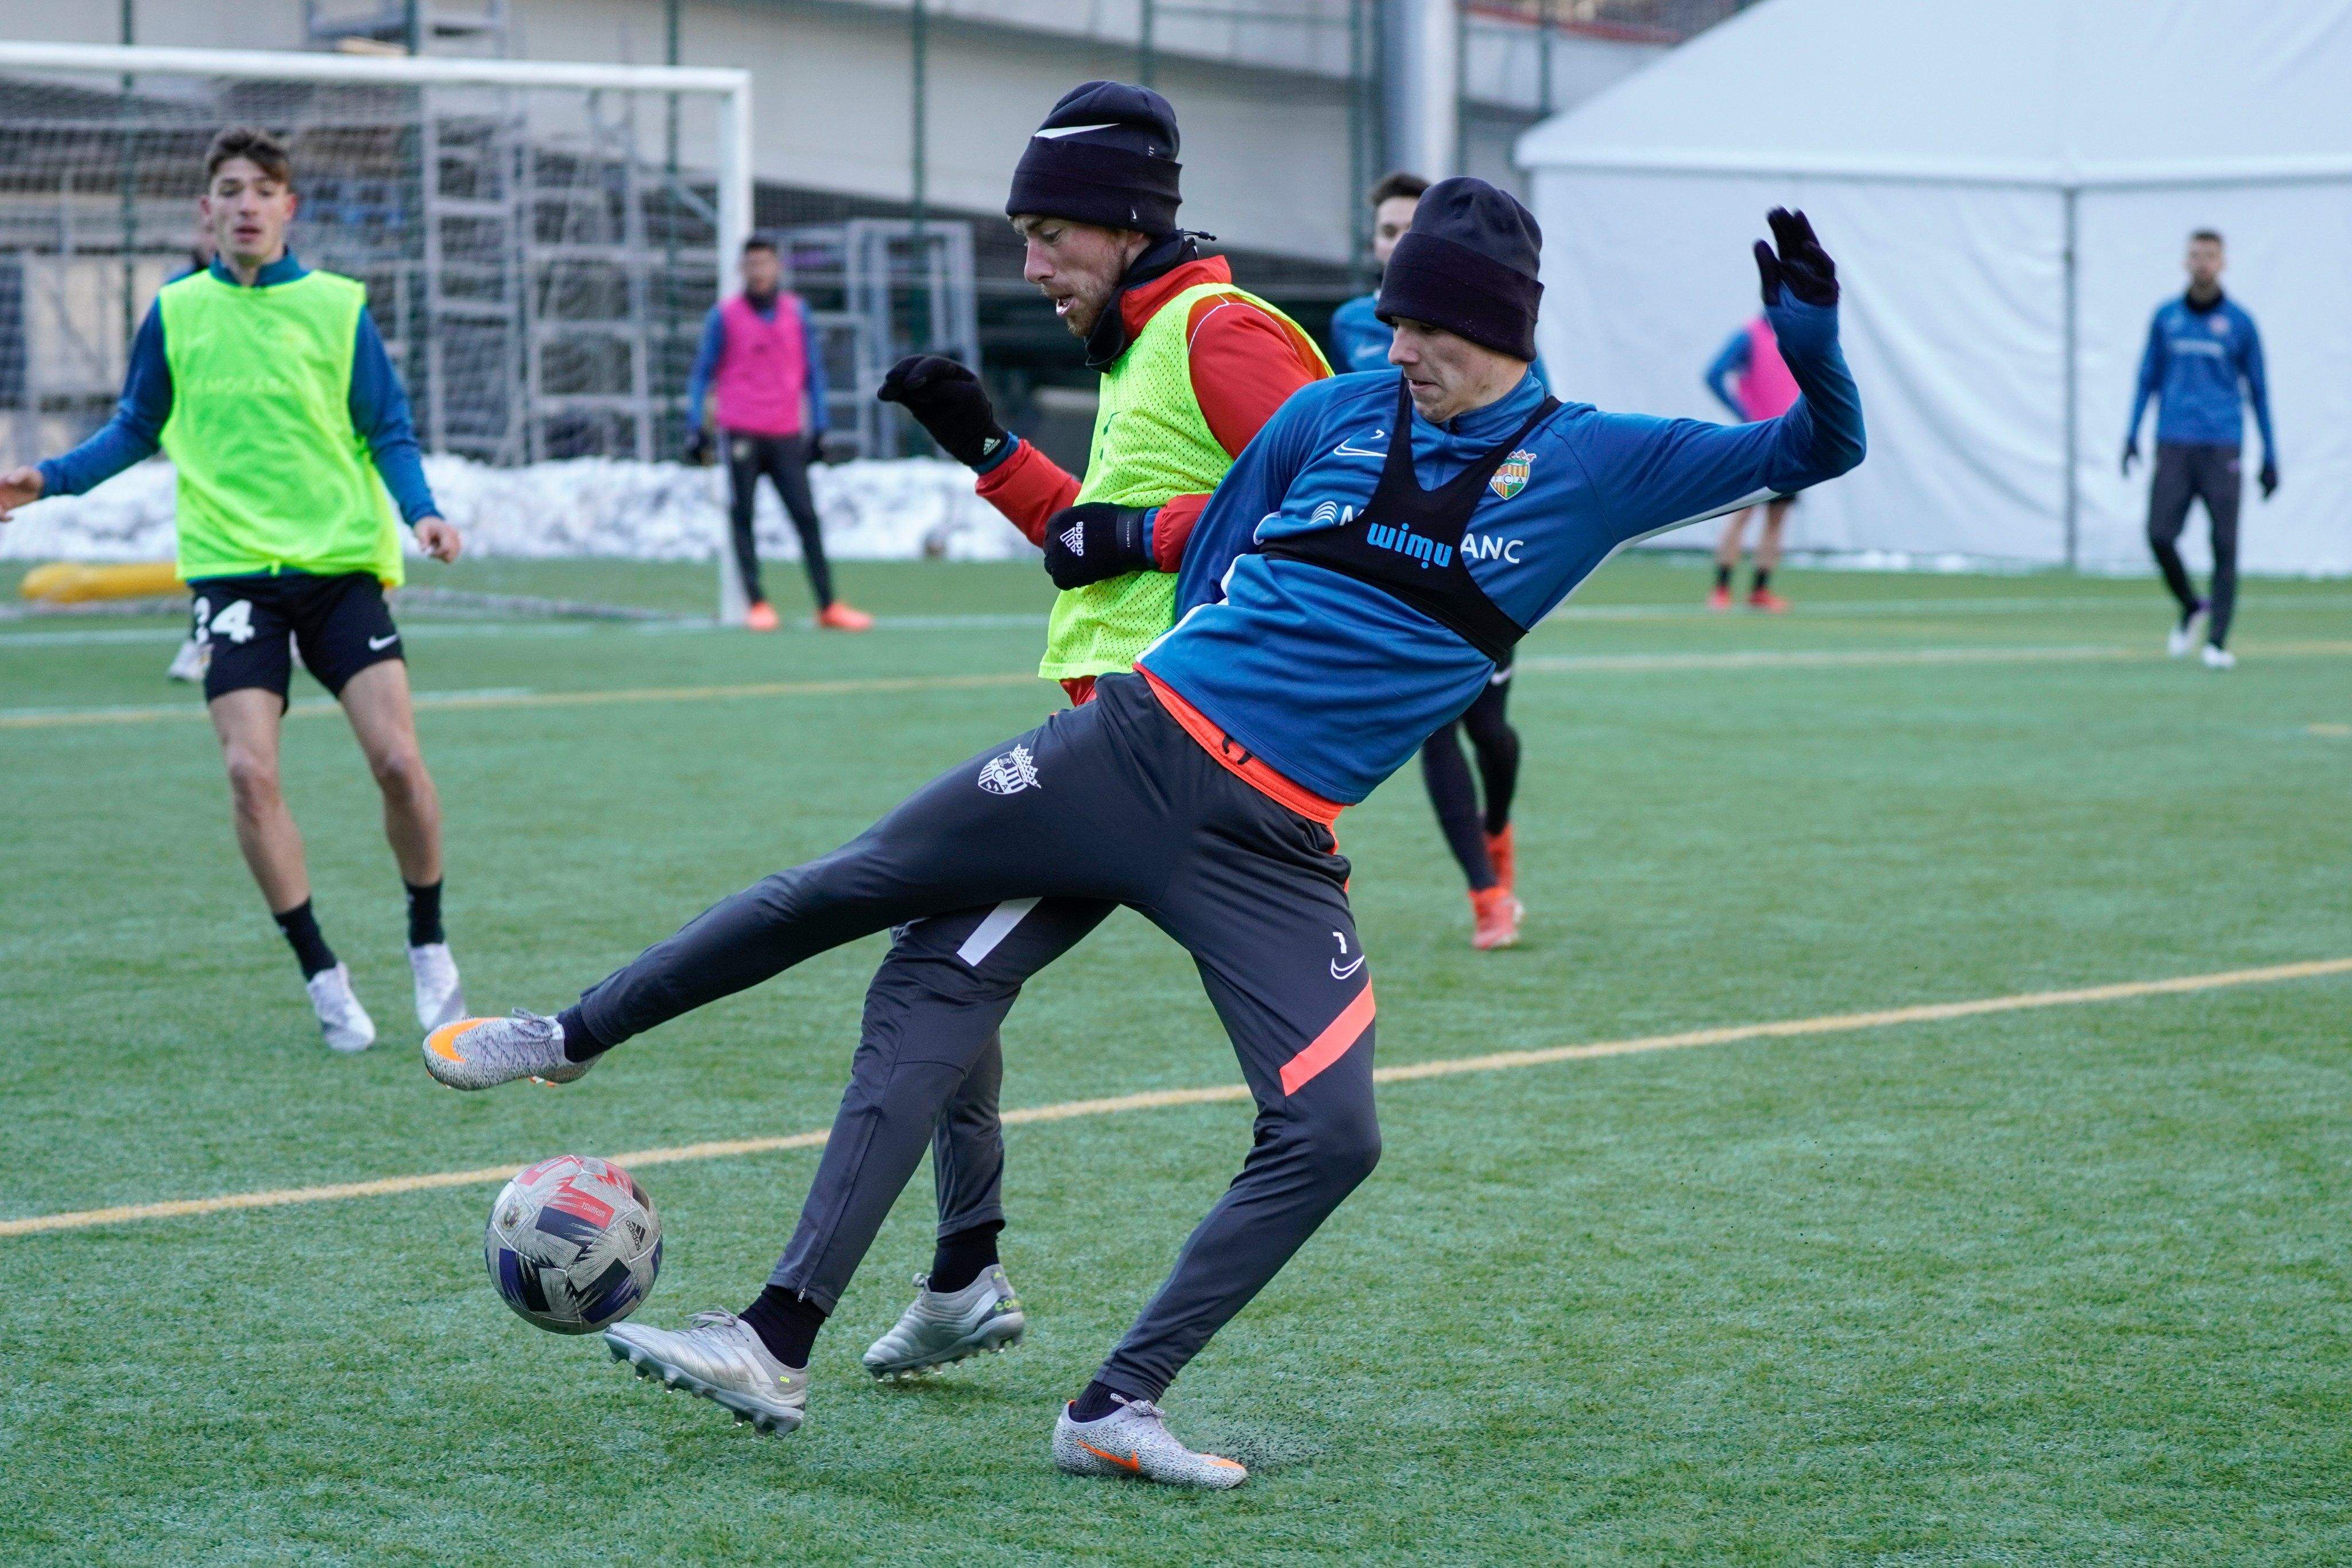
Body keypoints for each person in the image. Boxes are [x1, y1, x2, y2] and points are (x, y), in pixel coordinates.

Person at [421, 185, 1863, 1486]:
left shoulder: (1597, 463)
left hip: (1274, 846)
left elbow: (1821, 444)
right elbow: (1219, 563)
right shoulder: (1335, 413)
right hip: (1129, 753)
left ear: (1496, 330)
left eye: (1425, 323)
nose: (1396, 341)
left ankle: (1114, 1403)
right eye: (1397, 316)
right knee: (861, 893)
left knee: (1334, 1131)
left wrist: (1809, 334)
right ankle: (573, 1036)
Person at [764, 82, 1329, 1385]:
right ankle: (961, 1278)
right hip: (1117, 744)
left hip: (1175, 764)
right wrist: (988, 448)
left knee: (931, 971)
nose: (1031, 267)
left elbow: (1333, 511)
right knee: (938, 966)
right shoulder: (1150, 347)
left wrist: (1142, 532)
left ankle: (781, 1332)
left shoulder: (1220, 331)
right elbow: (1101, 552)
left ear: (1129, 224)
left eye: (1050, 234)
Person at [0, 126, 467, 1053]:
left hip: (340, 569)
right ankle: (321, 970)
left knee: (401, 766)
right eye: (229, 189)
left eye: (263, 189)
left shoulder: (338, 308)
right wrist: (43, 480)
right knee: (251, 774)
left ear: (289, 209)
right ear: (204, 212)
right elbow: (135, 427)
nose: (246, 204)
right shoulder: (177, 312)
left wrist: (422, 512)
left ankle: (428, 940)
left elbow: (389, 428)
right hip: (232, 573)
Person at [1332, 170, 1541, 948]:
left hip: (1476, 560)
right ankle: (1486, 894)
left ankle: (1499, 834)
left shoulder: (1495, 341)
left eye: (1409, 233)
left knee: (1491, 730)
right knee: (1434, 725)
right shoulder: (1353, 323)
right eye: (1386, 233)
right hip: (1383, 554)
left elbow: (1530, 447)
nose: (1395, 246)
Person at [683, 236, 870, 632]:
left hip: (786, 431)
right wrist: (695, 425)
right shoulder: (724, 316)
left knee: (806, 517)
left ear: (777, 267)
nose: (759, 270)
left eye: (765, 262)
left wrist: (819, 426)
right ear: (742, 269)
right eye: (751, 263)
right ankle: (757, 602)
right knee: (743, 515)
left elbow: (813, 373)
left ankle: (827, 604)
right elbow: (702, 373)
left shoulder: (796, 313)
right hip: (740, 431)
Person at [2121, 229, 2277, 671]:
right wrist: (2131, 433)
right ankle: (2191, 604)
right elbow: (2146, 379)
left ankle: (2217, 641)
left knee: (2224, 544)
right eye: (2195, 255)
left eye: (2210, 255)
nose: (2202, 262)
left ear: (2223, 262)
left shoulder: (2241, 324)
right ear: (2185, 262)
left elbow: (2260, 391)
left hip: (2222, 443)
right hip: (2174, 441)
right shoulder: (2166, 318)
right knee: (2159, 534)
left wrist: (2271, 453)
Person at [1703, 313, 1800, 611]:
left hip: (1790, 440)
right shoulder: (1750, 335)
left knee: (1778, 517)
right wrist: (1744, 414)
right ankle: (1721, 588)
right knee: (1742, 513)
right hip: (1757, 440)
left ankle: (1760, 590)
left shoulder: (1798, 336)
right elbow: (1714, 374)